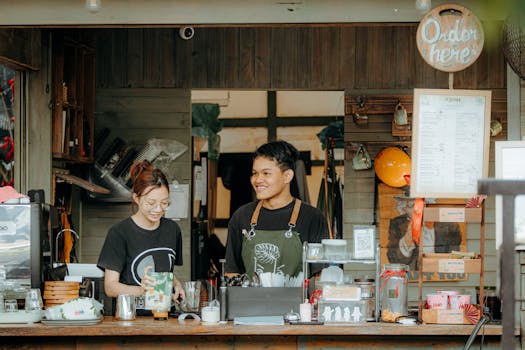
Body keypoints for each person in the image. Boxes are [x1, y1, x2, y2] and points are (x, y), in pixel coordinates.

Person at [224, 140, 329, 280]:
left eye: (266, 173)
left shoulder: (312, 217)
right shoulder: (241, 216)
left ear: (287, 176)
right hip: (250, 301)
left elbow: (319, 274)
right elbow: (232, 272)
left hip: (298, 301)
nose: (257, 180)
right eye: (254, 173)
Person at [97, 161, 184, 315]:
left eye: (164, 203)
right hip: (131, 319)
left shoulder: (172, 230)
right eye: (151, 203)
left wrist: (176, 284)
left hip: (165, 317)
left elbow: (164, 270)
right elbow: (110, 287)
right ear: (136, 198)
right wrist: (142, 290)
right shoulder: (119, 233)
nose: (158, 209)